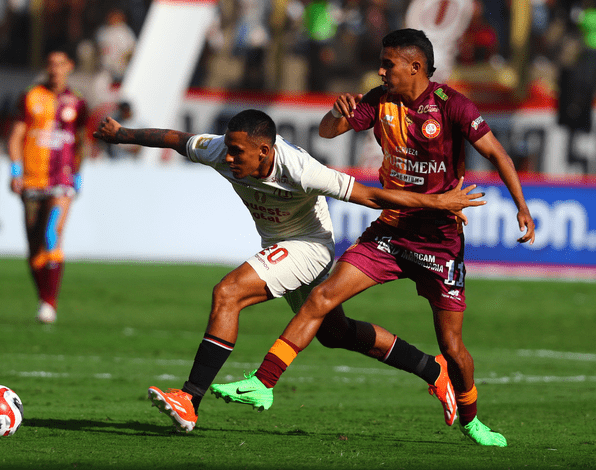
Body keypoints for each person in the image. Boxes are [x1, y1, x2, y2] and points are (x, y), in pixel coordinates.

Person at [210, 29, 536, 447]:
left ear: (415, 67)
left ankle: (473, 420)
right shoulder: (377, 100)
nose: (380, 71)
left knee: (453, 347)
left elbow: (497, 154)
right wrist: (335, 113)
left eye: (388, 64)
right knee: (322, 297)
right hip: (391, 229)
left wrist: (521, 206)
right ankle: (264, 382)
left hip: (439, 241)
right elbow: (329, 132)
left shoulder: (452, 105)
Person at [93, 109, 485, 433]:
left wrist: (438, 203)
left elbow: (371, 195)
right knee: (335, 333)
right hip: (280, 245)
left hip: (310, 246)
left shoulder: (300, 169)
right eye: (228, 150)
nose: (228, 159)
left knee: (228, 293)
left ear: (264, 151)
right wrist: (122, 133)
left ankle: (189, 400)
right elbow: (175, 138)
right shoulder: (220, 150)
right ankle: (430, 368)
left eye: (237, 153)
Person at [7, 48, 88, 324]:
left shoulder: (77, 102)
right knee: (33, 248)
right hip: (32, 178)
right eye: (51, 64)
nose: (55, 69)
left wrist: (77, 173)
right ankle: (44, 297)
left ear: (69, 67)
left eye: (60, 64)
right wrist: (15, 171)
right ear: (46, 66)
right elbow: (16, 135)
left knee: (52, 234)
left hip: (61, 179)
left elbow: (81, 141)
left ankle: (49, 304)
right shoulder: (30, 96)